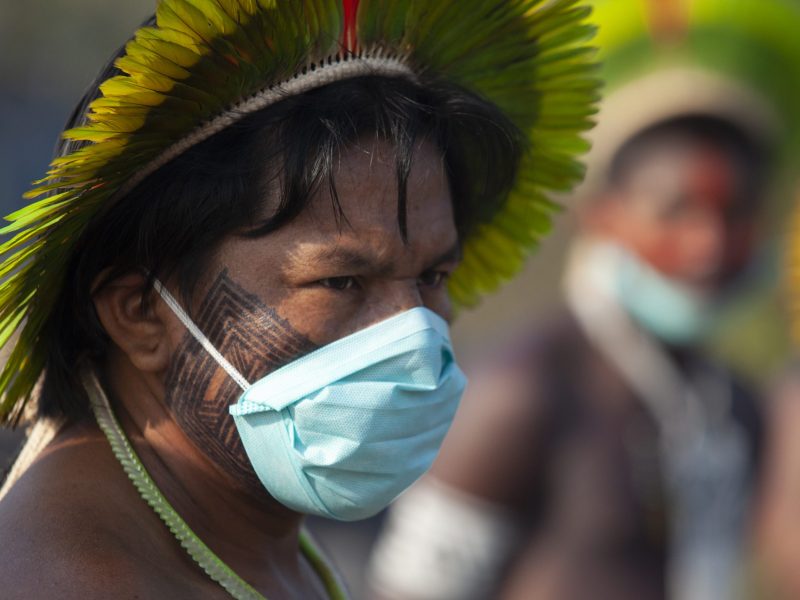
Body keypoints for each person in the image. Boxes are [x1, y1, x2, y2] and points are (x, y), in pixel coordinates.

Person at [0, 1, 598, 598]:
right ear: (139, 313)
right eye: (341, 282)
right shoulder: (76, 580)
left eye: (433, 276)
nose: (412, 333)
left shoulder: (238, 537)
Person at [368, 80, 772, 600]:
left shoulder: (734, 410)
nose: (708, 244)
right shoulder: (523, 392)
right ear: (601, 217)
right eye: (675, 211)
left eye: (734, 213)